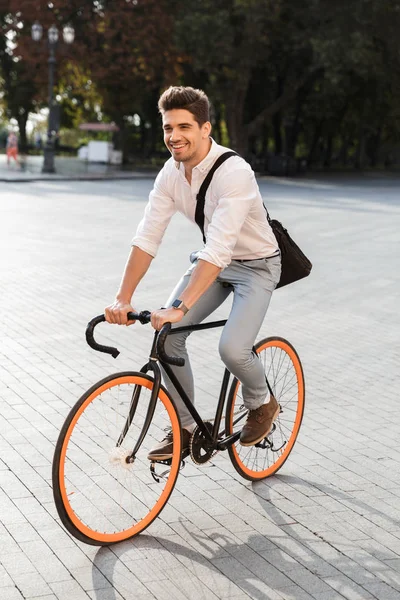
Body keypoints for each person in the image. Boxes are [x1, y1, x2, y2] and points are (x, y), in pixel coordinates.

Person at [105, 86, 281, 460]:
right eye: (168, 128)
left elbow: (219, 247)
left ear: (206, 128)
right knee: (168, 339)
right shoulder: (170, 174)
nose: (174, 136)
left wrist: (180, 308)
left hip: (257, 266)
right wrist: (123, 298)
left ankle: (262, 402)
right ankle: (186, 428)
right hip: (213, 263)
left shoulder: (235, 172)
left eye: (184, 126)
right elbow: (147, 237)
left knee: (233, 349)